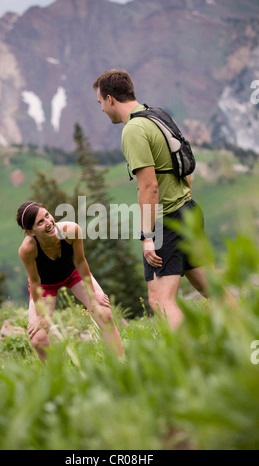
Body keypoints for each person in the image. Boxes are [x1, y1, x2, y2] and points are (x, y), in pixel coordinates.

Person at [92, 69, 211, 329]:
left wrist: (148, 236)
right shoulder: (158, 115)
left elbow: (149, 186)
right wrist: (184, 203)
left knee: (159, 298)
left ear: (110, 99)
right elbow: (185, 164)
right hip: (188, 211)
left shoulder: (133, 130)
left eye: (100, 102)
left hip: (166, 220)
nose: (101, 108)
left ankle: (188, 360)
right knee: (208, 285)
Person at [16, 201, 124, 361]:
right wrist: (40, 315)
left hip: (73, 274)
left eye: (47, 215)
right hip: (45, 285)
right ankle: (58, 380)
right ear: (30, 232)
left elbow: (80, 262)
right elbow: (34, 280)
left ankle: (121, 363)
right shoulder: (27, 249)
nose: (48, 223)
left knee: (104, 314)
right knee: (38, 339)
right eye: (40, 222)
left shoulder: (71, 231)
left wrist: (93, 293)